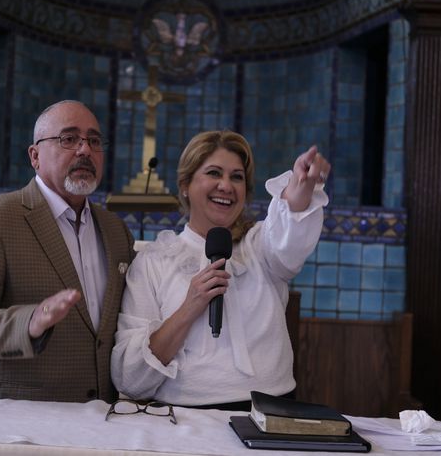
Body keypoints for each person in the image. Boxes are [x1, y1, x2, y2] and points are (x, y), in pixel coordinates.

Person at [111, 130, 330, 410]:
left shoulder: (260, 247)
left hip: (270, 414)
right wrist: (190, 307)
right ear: (185, 185)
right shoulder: (154, 261)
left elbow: (290, 231)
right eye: (214, 173)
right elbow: (129, 379)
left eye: (236, 177)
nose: (226, 186)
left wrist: (300, 187)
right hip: (183, 421)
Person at [0, 100, 135, 402]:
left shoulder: (116, 231)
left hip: (100, 419)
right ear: (35, 156)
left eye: (94, 141)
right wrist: (30, 321)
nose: (85, 150)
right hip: (16, 418)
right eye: (69, 139)